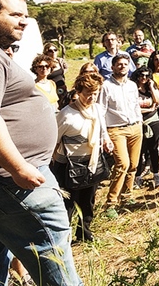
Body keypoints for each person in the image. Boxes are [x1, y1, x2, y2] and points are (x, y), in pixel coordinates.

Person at [0, 0, 84, 286]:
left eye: (25, 15)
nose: (23, 21)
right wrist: (18, 167)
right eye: (14, 14)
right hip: (17, 180)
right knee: (53, 255)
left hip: (14, 177)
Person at [51, 71, 112, 242]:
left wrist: (106, 140)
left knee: (88, 201)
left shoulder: (97, 110)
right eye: (88, 94)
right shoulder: (66, 115)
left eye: (95, 93)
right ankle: (64, 237)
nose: (92, 98)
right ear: (78, 92)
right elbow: (53, 139)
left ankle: (84, 232)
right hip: (68, 165)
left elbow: (102, 129)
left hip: (91, 161)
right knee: (67, 203)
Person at [98, 53, 143, 218]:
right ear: (112, 67)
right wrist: (104, 136)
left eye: (125, 64)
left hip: (135, 128)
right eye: (119, 64)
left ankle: (127, 196)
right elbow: (100, 111)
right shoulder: (106, 86)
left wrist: (140, 122)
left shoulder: (132, 85)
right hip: (116, 130)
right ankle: (111, 202)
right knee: (122, 164)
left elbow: (136, 106)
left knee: (133, 165)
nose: (122, 66)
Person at [131, 68, 159, 189]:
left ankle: (156, 174)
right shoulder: (132, 89)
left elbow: (158, 101)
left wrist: (151, 86)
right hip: (138, 122)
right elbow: (132, 107)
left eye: (146, 75)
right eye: (141, 75)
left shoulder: (150, 87)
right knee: (139, 151)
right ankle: (138, 177)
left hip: (153, 121)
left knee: (153, 149)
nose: (144, 78)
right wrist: (149, 109)